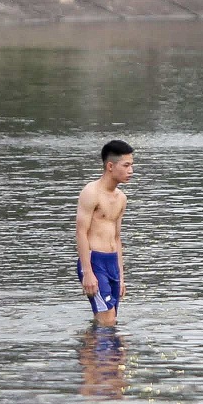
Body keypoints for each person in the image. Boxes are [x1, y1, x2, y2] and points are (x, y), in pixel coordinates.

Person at [75, 139, 134, 328]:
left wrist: (122, 277)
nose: (131, 170)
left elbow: (116, 238)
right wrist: (87, 272)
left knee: (110, 320)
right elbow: (81, 232)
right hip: (95, 262)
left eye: (131, 165)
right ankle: (88, 354)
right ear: (110, 166)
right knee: (107, 320)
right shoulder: (91, 192)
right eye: (126, 165)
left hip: (112, 263)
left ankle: (95, 355)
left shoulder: (121, 198)